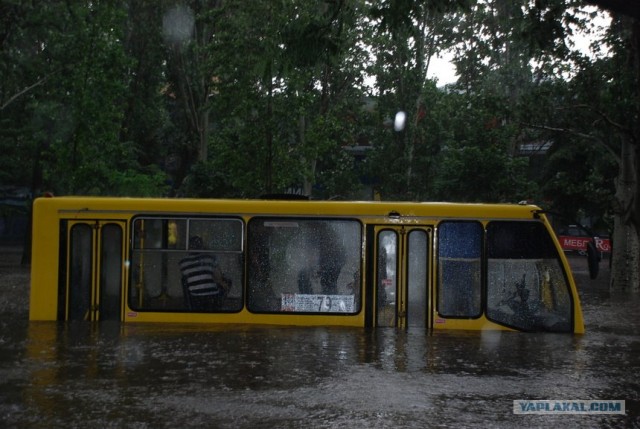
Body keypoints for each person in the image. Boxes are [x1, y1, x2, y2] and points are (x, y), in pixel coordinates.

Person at [180, 236, 230, 311]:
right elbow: (218, 277)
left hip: (195, 297)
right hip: (212, 296)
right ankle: (220, 307)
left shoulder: (182, 262)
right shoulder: (209, 258)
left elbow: (186, 277)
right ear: (201, 246)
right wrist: (224, 284)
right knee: (228, 283)